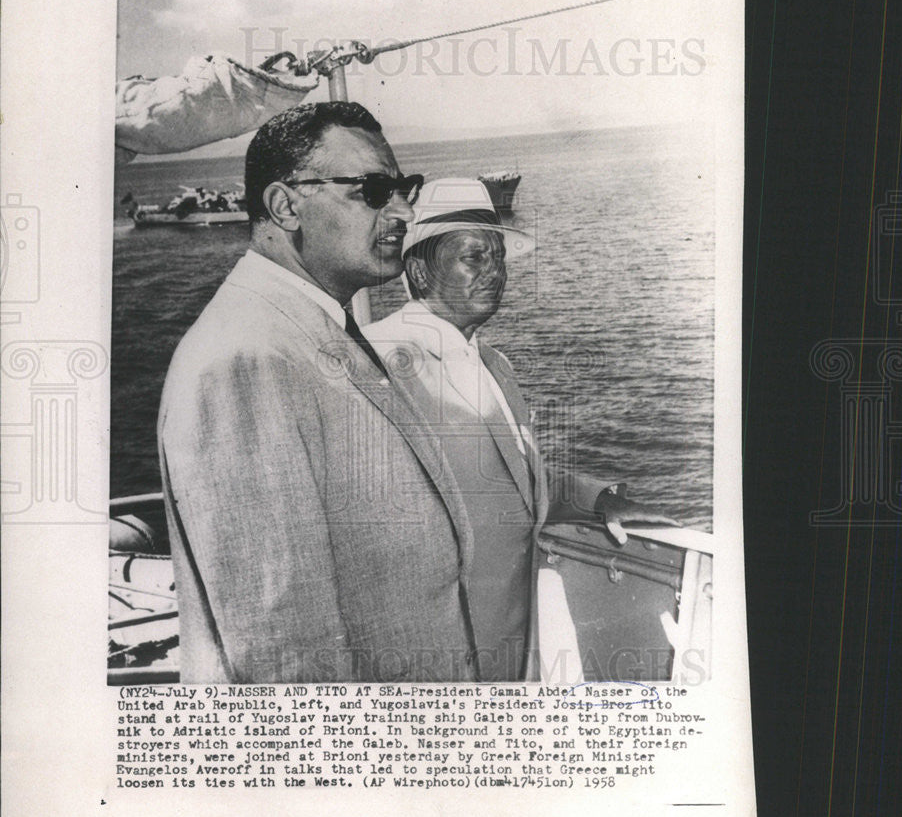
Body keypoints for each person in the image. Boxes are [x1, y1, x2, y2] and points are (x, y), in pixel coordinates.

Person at [159, 103, 483, 684]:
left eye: (405, 188)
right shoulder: (246, 357)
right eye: (375, 189)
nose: (404, 211)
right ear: (286, 206)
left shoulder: (315, 326)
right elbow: (282, 650)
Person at [364, 178, 677, 681]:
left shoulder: (493, 364)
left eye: (498, 257)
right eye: (474, 258)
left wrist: (596, 498)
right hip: (431, 659)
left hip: (506, 649)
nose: (494, 273)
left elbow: (515, 481)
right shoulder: (380, 359)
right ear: (419, 271)